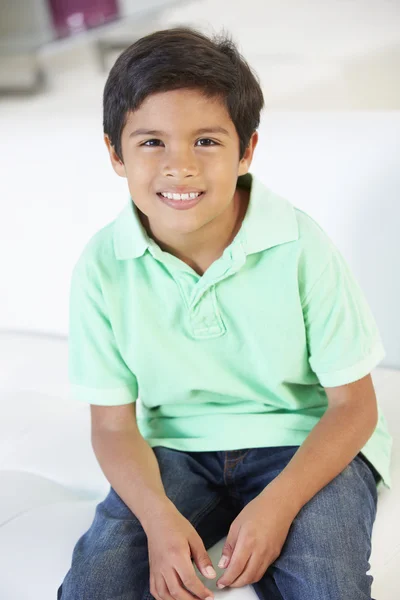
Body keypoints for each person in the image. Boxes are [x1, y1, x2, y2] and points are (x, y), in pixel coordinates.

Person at [57, 26, 392, 600]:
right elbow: (113, 424)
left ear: (247, 151)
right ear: (115, 153)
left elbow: (354, 406)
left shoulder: (298, 245)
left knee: (327, 587)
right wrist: (158, 520)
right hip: (177, 451)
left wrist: (277, 506)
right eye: (152, 142)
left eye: (206, 142)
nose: (179, 166)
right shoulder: (102, 264)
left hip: (301, 437)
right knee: (96, 584)